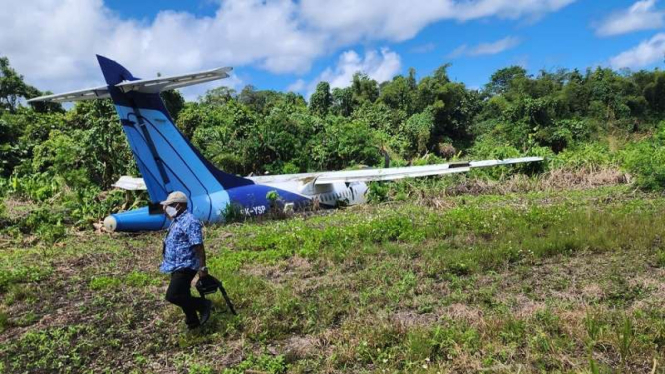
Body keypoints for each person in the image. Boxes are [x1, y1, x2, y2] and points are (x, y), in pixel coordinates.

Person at [160, 191, 212, 330]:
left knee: (173, 295)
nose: (167, 208)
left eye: (170, 205)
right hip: (175, 265)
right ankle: (193, 324)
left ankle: (203, 305)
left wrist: (202, 268)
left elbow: (199, 246)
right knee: (183, 294)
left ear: (179, 205)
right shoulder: (176, 220)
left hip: (186, 265)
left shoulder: (190, 221)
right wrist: (166, 210)